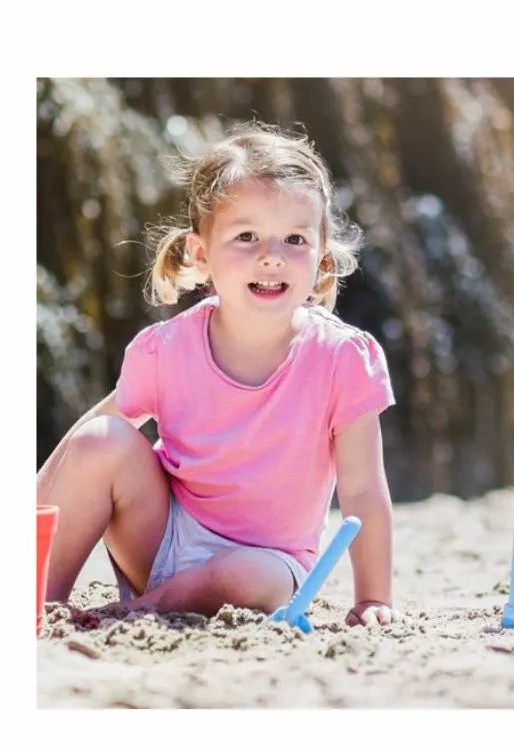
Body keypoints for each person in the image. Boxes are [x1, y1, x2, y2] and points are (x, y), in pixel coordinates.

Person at [36, 122, 402, 628]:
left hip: (265, 566)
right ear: (201, 254)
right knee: (101, 441)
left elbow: (364, 491)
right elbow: (92, 436)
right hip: (162, 538)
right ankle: (39, 598)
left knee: (249, 577)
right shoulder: (166, 350)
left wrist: (372, 599)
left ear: (320, 258)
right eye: (246, 236)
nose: (271, 255)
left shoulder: (342, 358)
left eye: (294, 239)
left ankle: (135, 611)